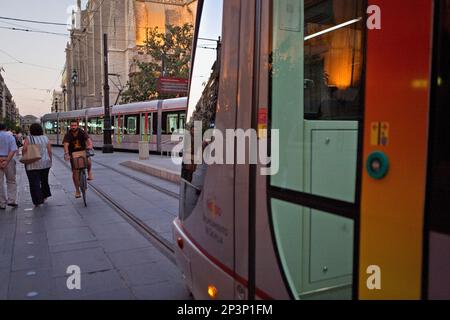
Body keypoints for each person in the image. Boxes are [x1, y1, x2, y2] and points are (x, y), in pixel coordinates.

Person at [22, 123, 52, 207]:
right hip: (45, 163)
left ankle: (37, 200)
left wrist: (25, 155)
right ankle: (45, 195)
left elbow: (24, 149)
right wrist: (50, 160)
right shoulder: (45, 138)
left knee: (34, 182)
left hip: (32, 163)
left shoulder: (29, 138)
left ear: (31, 130)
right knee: (44, 180)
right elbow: (49, 150)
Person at [63, 120, 94, 198]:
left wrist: (90, 145)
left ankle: (89, 172)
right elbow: (66, 144)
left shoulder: (82, 132)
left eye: (75, 125)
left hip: (83, 151)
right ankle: (77, 190)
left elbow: (88, 140)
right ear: (70, 126)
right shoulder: (68, 134)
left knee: (89, 161)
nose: (73, 127)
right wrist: (66, 153)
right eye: (72, 126)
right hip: (73, 153)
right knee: (75, 172)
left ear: (78, 126)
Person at [0, 123, 18, 209]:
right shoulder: (10, 136)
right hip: (9, 160)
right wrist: (6, 160)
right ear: (5, 128)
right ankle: (11, 200)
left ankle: (2, 203)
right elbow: (13, 149)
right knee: (11, 180)